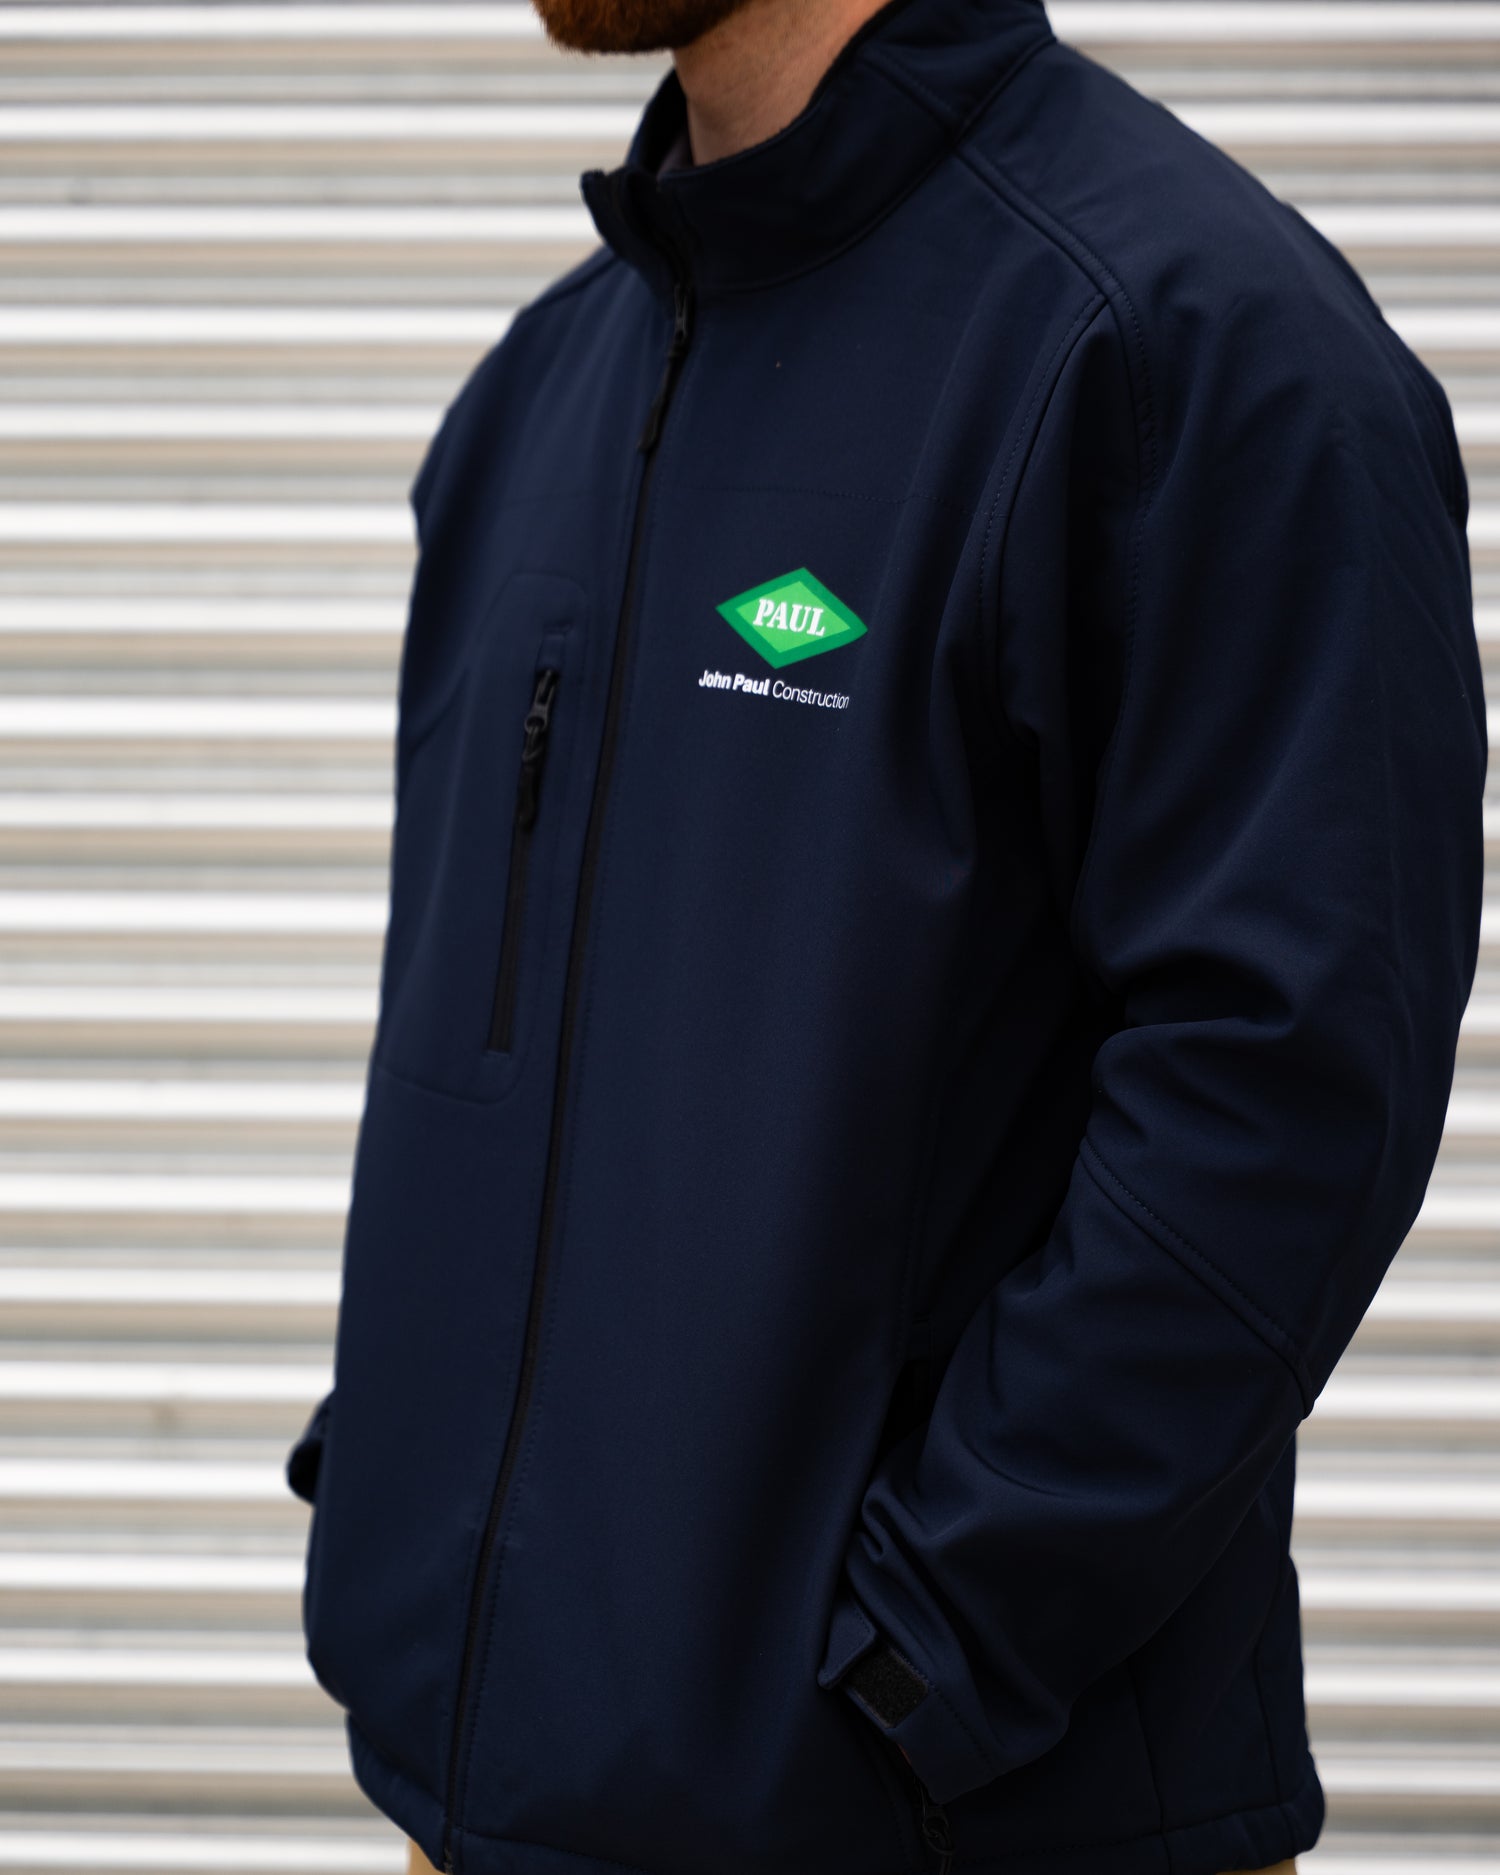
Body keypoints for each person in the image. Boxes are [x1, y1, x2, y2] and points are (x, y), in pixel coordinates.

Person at [283, 0, 1486, 1871]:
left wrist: (924, 1659)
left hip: (943, 1820)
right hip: (480, 1811)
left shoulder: (1184, 351)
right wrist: (401, 1516)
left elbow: (1289, 1099)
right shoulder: (535, 400)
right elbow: (488, 1079)